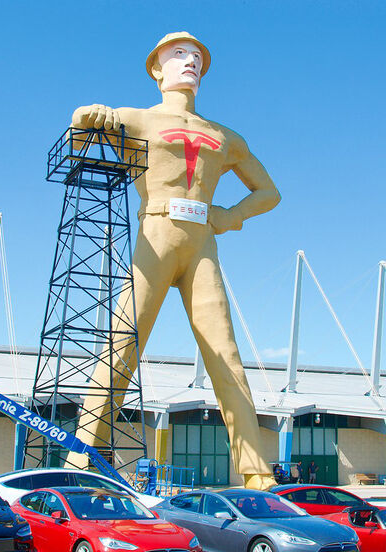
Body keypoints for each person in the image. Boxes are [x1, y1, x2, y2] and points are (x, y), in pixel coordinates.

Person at [64, 33, 281, 490]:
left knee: (226, 355)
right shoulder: (136, 118)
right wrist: (88, 113)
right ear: (156, 69)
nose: (191, 61)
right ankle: (78, 459)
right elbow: (78, 130)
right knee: (122, 343)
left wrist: (230, 215)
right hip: (156, 234)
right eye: (178, 54)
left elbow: (269, 192)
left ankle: (257, 473)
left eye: (197, 57)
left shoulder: (225, 137)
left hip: (202, 242)